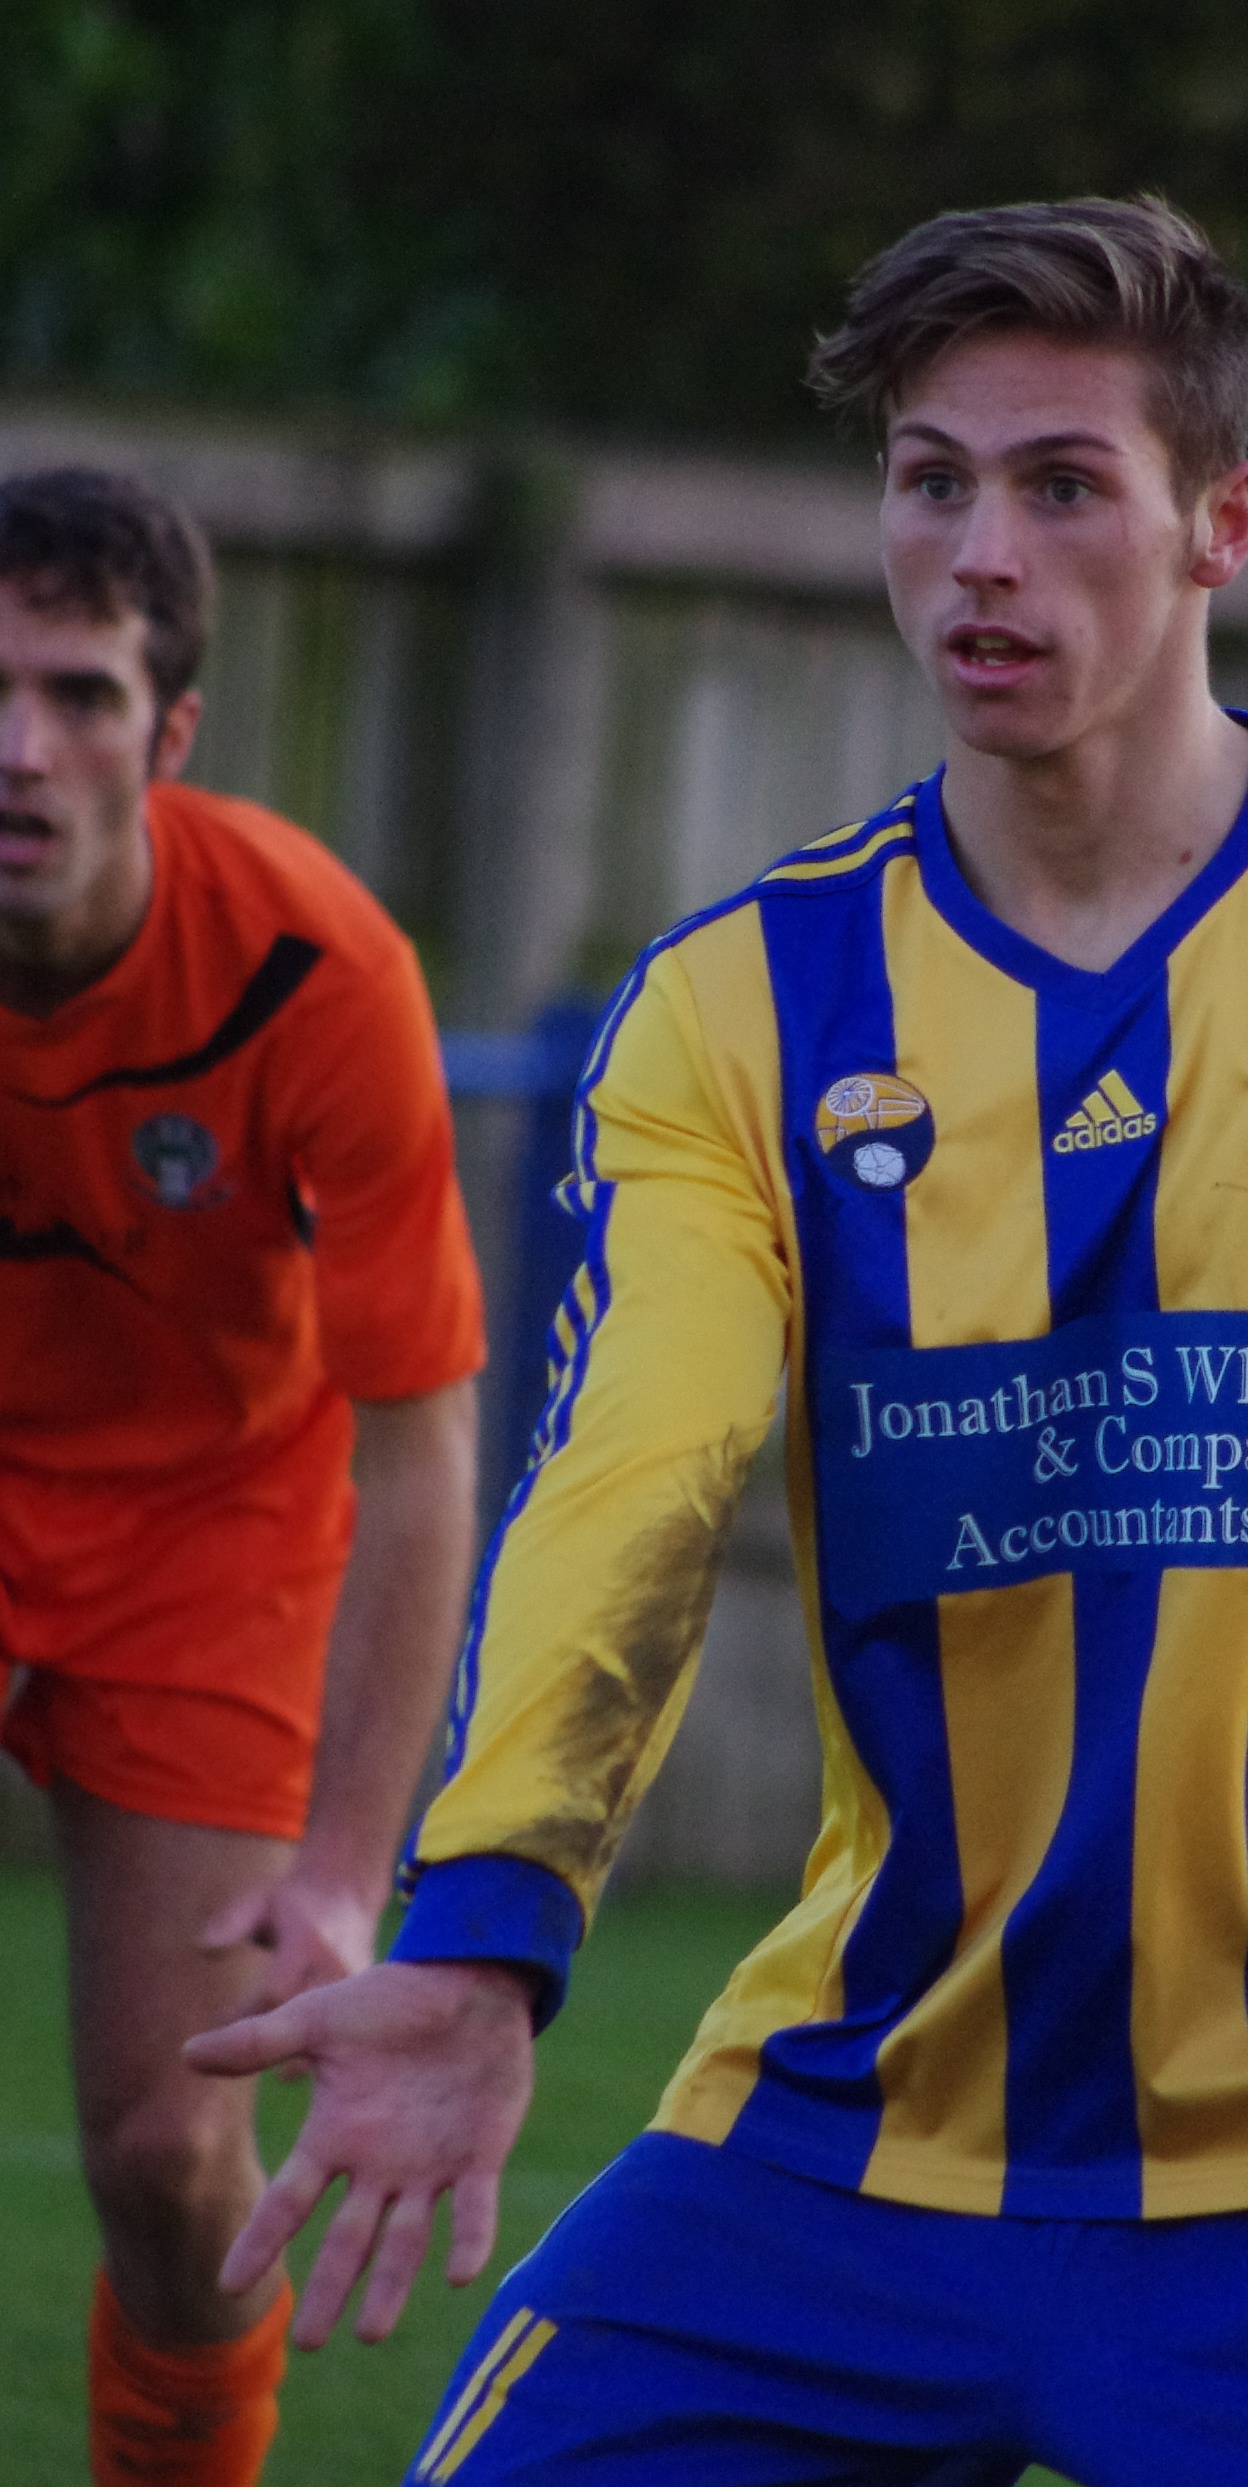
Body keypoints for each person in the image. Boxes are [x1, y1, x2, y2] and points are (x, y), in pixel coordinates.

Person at [192, 199, 1248, 2487]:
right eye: (928, 481)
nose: (978, 557)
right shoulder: (742, 1004)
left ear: (1219, 524)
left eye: (1057, 486)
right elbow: (622, 1486)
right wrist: (487, 1916)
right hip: (853, 2132)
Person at [0, 466, 487, 2484]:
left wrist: (345, 1873)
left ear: (170, 731)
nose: (19, 749)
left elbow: (424, 1434)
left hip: (213, 1527)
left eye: (81, 693)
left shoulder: (315, 970)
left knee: (169, 2153)